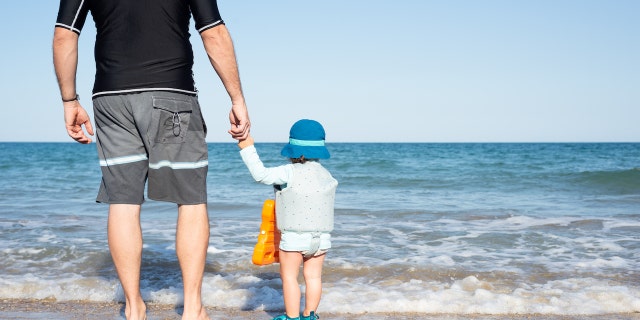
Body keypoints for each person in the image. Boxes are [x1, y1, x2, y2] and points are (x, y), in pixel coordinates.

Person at [52, 1, 250, 319]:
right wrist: (237, 98)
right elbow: (213, 31)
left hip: (110, 99)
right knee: (191, 200)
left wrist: (69, 100)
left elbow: (64, 35)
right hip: (171, 93)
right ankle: (193, 308)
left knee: (124, 202)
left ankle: (133, 307)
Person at [237, 119, 338, 320]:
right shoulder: (327, 175)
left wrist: (247, 147)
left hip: (294, 238)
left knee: (290, 278)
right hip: (322, 238)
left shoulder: (288, 172)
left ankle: (292, 317)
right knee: (314, 278)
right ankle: (310, 316)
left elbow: (261, 175)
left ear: (295, 151)